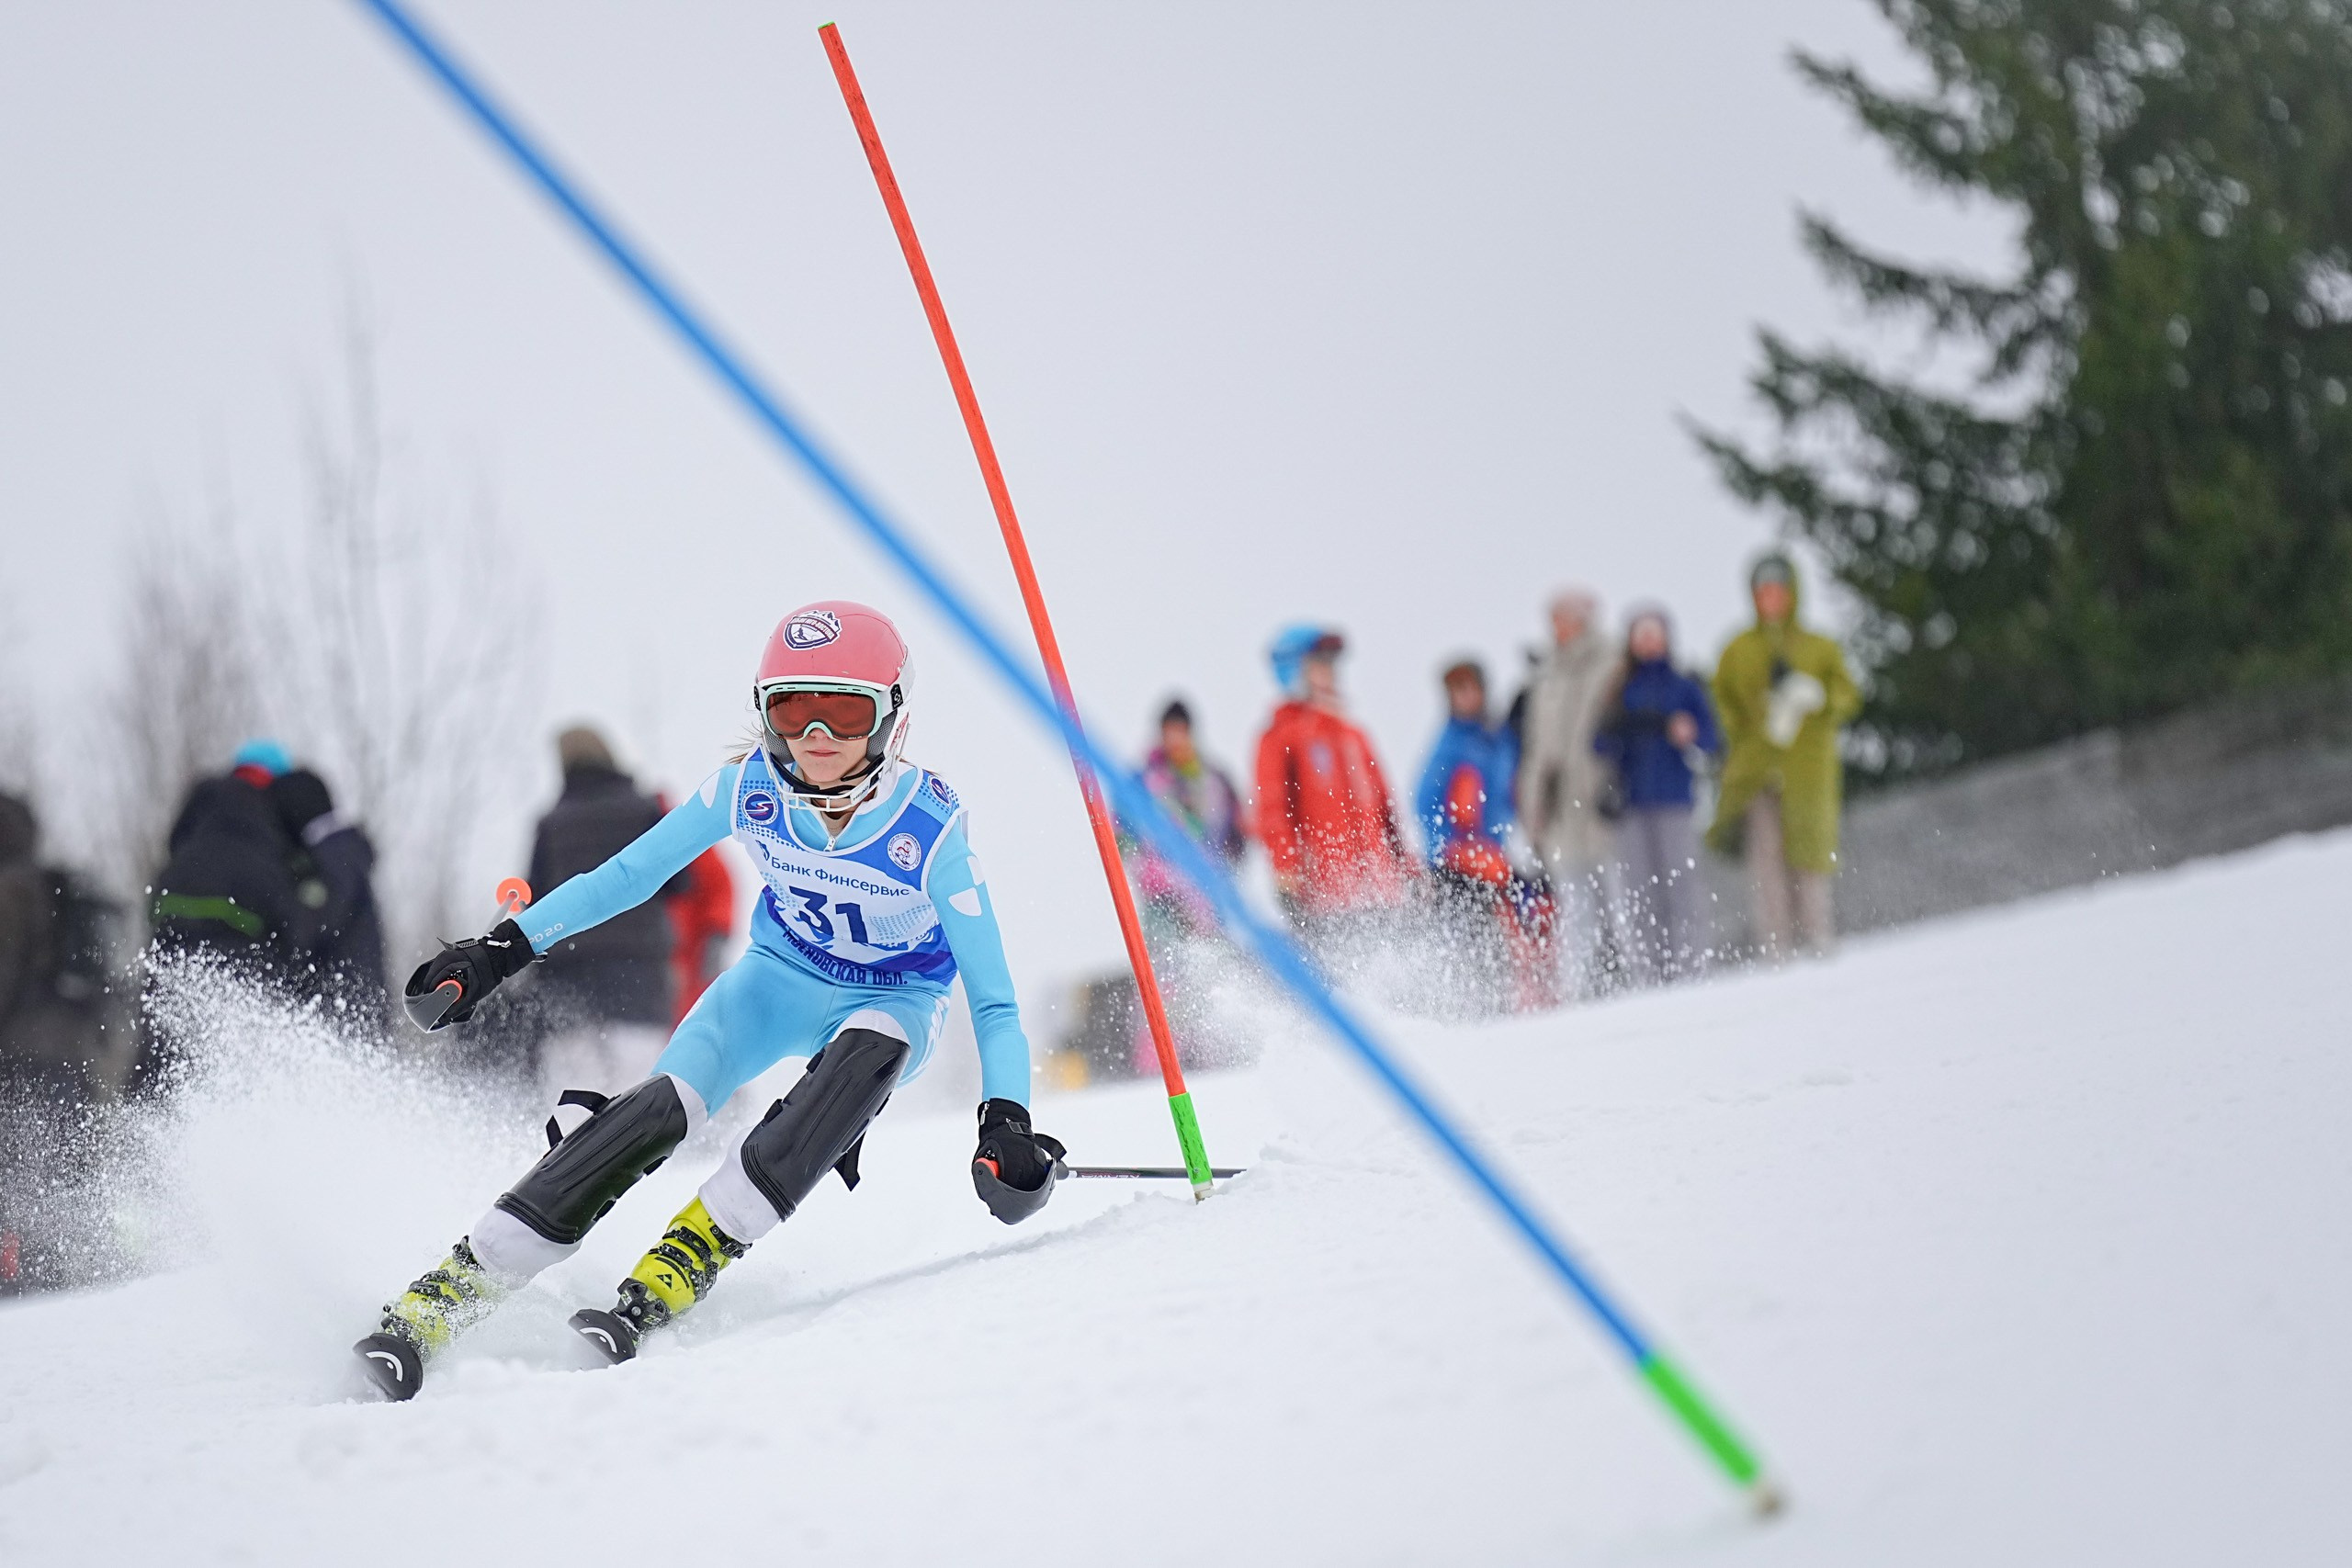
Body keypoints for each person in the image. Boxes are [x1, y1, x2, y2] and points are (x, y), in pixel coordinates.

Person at [355, 601, 1062, 1400]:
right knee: (659, 1108)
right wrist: (500, 951)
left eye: (843, 713)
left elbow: (994, 1001)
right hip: (776, 979)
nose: (816, 738)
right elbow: (628, 876)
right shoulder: (747, 788)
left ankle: (693, 1250)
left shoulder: (931, 830)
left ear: (891, 718)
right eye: (792, 710)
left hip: (896, 996)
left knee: (867, 1054)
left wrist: (1006, 1120)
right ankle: (457, 1286)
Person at [1709, 554, 1860, 958]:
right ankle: (1776, 947)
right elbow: (1721, 704)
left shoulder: (1818, 646)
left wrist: (1818, 697)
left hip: (1808, 771)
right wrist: (1751, 728)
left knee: (1811, 855)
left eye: (1778, 591)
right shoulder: (1738, 650)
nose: (1771, 599)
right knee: (1766, 863)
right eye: (1763, 592)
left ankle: (1818, 937)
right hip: (1756, 772)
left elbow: (1847, 694)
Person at [526, 727, 684, 1093]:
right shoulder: (644, 809)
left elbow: (535, 903)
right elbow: (680, 882)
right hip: (639, 976)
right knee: (638, 1096)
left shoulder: (552, 823)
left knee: (571, 1100)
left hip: (568, 981)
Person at [1252, 626, 1413, 968]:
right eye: (1318, 666)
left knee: (1392, 975)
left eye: (1331, 666)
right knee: (1342, 977)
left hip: (1381, 893)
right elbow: (1273, 811)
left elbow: (1385, 811)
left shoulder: (1354, 734)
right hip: (1327, 898)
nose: (1329, 675)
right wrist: (1286, 870)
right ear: (1293, 672)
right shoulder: (1281, 737)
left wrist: (1404, 868)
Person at [1416, 660, 1553, 1012]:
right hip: (1457, 867)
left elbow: (1511, 793)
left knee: (1515, 934)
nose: (1464, 697)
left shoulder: (1497, 739)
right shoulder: (1449, 744)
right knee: (1473, 945)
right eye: (1456, 691)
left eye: (1468, 688)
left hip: (1495, 858)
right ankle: (1475, 1010)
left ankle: (1518, 1004)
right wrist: (1447, 849)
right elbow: (1426, 803)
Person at [1591, 608, 1720, 983]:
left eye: (1654, 634)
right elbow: (1597, 743)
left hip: (1674, 801)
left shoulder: (1684, 686)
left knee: (1682, 886)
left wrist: (1688, 731)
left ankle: (1692, 968)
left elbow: (1712, 740)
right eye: (1641, 635)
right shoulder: (1619, 688)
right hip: (1630, 805)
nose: (1648, 642)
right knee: (1640, 893)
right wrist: (1618, 729)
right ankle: (1649, 974)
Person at [1123, 697, 1251, 1069]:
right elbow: (1122, 835)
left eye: (1182, 730)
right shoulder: (1143, 782)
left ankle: (1219, 1058)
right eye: (1170, 731)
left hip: (1207, 900)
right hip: (1161, 897)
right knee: (1164, 980)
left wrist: (1223, 875)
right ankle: (1160, 1062)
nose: (1176, 738)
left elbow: (1236, 834)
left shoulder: (1213, 778)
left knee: (1212, 976)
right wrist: (1150, 871)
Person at [1513, 590, 1618, 986]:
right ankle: (1580, 988)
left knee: (1618, 900)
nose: (1557, 628)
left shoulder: (1611, 664)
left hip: (1603, 804)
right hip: (1560, 810)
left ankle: (1635, 980)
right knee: (1575, 907)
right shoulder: (1547, 678)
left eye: (1564, 618)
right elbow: (1538, 751)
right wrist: (1533, 810)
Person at [268, 766, 388, 1025]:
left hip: (345, 1011)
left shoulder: (336, 854)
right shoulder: (339, 850)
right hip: (350, 1003)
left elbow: (318, 921)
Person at [664, 834, 737, 1030]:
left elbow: (720, 889)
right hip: (662, 949)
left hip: (695, 950)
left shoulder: (692, 844)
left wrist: (717, 934)